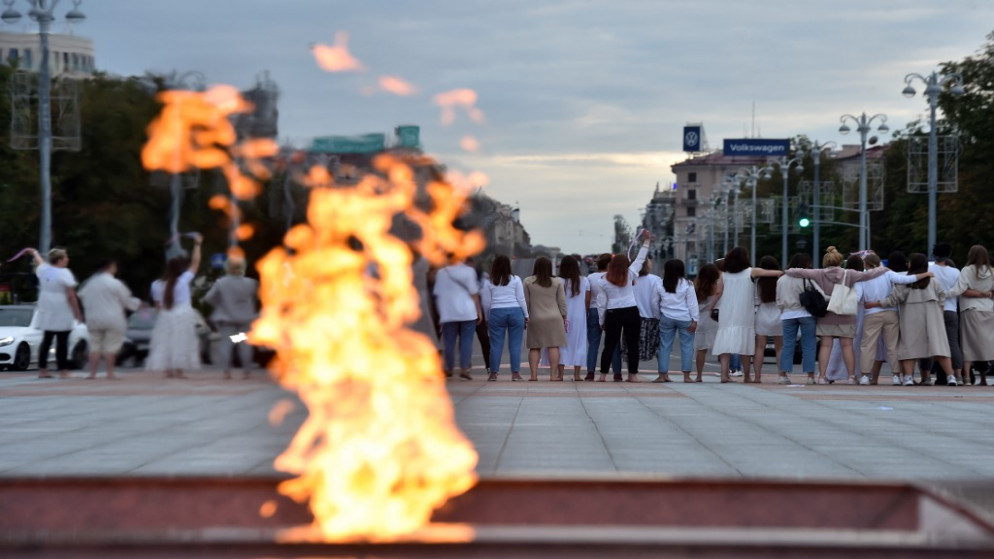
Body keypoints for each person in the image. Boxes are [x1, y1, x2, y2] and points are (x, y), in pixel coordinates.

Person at [784, 246, 885, 385]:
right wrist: (882, 267)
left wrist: (786, 270)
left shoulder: (819, 273)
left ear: (825, 261)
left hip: (826, 315)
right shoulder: (849, 273)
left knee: (826, 346)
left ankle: (822, 377)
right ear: (839, 262)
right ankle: (851, 377)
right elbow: (869, 274)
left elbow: (795, 271)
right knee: (847, 346)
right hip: (846, 314)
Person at [866, 253, 956, 386]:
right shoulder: (933, 281)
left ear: (912, 265)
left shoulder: (906, 282)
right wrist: (940, 313)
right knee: (939, 346)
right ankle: (951, 377)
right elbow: (942, 297)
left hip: (911, 316)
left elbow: (894, 299)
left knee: (909, 347)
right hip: (932, 315)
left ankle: (908, 377)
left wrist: (875, 303)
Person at [855, 252, 929, 386]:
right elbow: (906, 279)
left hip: (871, 314)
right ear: (879, 262)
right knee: (893, 346)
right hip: (891, 313)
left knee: (867, 345)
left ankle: (865, 375)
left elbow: (858, 297)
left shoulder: (862, 278)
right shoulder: (888, 274)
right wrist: (926, 274)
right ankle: (895, 376)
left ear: (865, 264)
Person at [711, 247, 783, 383]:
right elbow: (776, 272)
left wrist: (711, 307)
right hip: (744, 312)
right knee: (745, 343)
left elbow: (717, 293)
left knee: (725, 342)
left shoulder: (724, 275)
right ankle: (747, 376)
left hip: (727, 312)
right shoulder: (751, 272)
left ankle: (724, 375)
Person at [596, 230, 651, 382]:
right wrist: (646, 241)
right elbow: (640, 259)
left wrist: (602, 321)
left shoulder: (602, 281)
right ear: (626, 264)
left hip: (613, 313)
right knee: (633, 344)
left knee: (609, 345)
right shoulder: (630, 274)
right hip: (631, 311)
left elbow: (601, 303)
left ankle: (603, 375)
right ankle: (632, 375)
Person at [147, 235, 203, 378]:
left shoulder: (156, 284)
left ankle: (168, 370)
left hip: (166, 315)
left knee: (166, 342)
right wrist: (197, 244)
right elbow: (196, 263)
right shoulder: (183, 280)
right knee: (181, 342)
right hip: (183, 314)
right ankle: (179, 371)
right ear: (181, 269)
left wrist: (161, 317)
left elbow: (157, 304)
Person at [77, 258, 141, 380]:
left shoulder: (90, 283)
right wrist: (138, 305)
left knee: (94, 346)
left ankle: (92, 373)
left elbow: (82, 296)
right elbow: (126, 301)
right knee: (111, 346)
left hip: (93, 318)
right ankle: (110, 373)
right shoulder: (115, 283)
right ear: (110, 267)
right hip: (113, 318)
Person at [30, 248, 83, 379]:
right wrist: (78, 313)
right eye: (66, 257)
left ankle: (42, 370)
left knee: (47, 339)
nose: (67, 259)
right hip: (61, 308)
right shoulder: (64, 273)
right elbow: (71, 295)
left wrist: (35, 253)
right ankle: (63, 371)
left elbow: (40, 262)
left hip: (46, 307)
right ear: (59, 260)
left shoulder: (44, 270)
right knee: (62, 340)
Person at [203, 256, 259, 380]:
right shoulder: (251, 283)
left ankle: (226, 372)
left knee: (226, 344)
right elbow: (257, 298)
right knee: (244, 344)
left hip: (226, 319)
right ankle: (246, 372)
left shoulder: (221, 282)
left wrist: (219, 304)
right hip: (244, 319)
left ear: (227, 267)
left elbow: (208, 298)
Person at [945, 244, 994, 386]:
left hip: (970, 310)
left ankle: (966, 378)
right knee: (990, 343)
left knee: (968, 345)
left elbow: (960, 290)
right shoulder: (992, 271)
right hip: (989, 310)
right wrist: (986, 293)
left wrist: (942, 294)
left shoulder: (967, 270)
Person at [776, 253, 825, 385]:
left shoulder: (782, 279)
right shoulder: (807, 278)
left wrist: (784, 309)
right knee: (809, 345)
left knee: (787, 345)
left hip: (787, 314)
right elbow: (821, 294)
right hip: (806, 314)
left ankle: (783, 375)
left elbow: (778, 300)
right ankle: (810, 376)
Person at [433, 257, 483, 380]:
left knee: (449, 341)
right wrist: (479, 311)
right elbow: (474, 293)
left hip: (449, 312)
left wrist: (439, 314)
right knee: (467, 341)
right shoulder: (469, 271)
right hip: (468, 312)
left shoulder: (441, 273)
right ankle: (464, 369)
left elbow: (438, 294)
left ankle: (449, 369)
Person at [480, 255, 528, 381]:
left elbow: (486, 302)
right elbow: (521, 299)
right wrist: (526, 315)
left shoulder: (489, 281)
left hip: (496, 312)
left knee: (495, 345)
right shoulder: (516, 279)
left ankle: (493, 373)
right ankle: (516, 373)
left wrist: (486, 317)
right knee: (515, 345)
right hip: (515, 311)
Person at [921, 244, 963, 385]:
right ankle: (958, 375)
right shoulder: (956, 272)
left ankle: (925, 376)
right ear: (949, 255)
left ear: (933, 254)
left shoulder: (928, 269)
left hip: (932, 310)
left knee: (927, 343)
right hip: (951, 309)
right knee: (953, 343)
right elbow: (959, 290)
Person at [654, 258, 698, 383]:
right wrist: (695, 320)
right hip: (685, 318)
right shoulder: (688, 284)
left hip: (666, 317)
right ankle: (686, 376)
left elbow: (654, 302)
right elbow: (692, 304)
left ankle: (662, 375)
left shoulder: (660, 284)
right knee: (687, 346)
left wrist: (658, 316)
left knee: (664, 346)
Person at [524, 257, 567, 381]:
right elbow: (562, 301)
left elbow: (525, 301)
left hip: (536, 317)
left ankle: (533, 375)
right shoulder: (557, 281)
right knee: (554, 346)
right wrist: (564, 315)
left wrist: (525, 315)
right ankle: (553, 376)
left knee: (534, 347)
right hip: (554, 317)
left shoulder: (528, 281)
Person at [585, 253, 621, 381]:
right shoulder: (615, 277)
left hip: (594, 311)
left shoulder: (590, 278)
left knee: (593, 344)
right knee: (615, 344)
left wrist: (586, 313)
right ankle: (617, 373)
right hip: (612, 310)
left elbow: (587, 299)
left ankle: (590, 372)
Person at [628, 258, 663, 377]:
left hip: (633, 317)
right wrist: (658, 316)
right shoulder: (656, 280)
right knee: (658, 346)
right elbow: (656, 301)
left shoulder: (630, 280)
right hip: (651, 317)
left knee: (632, 347)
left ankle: (631, 373)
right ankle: (663, 373)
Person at [557, 255, 590, 381]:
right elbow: (587, 300)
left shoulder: (559, 281)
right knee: (579, 344)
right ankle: (577, 375)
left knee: (561, 343)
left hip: (562, 315)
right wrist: (584, 312)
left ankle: (560, 375)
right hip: (579, 316)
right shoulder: (584, 281)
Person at [752, 255, 783, 384]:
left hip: (762, 313)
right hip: (779, 314)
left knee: (759, 347)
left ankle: (757, 377)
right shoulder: (781, 280)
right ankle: (782, 376)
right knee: (780, 348)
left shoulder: (758, 282)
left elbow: (755, 300)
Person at [693, 263, 721, 383]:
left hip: (701, 320)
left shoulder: (697, 287)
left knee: (701, 349)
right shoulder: (717, 287)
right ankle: (726, 373)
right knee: (723, 348)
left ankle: (699, 375)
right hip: (715, 319)